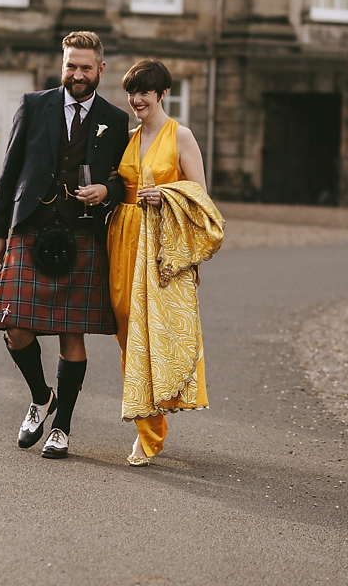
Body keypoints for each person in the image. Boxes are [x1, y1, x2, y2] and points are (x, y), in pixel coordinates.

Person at [0, 31, 131, 459]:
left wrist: (107, 189)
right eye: (71, 65)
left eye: (86, 67)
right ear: (61, 64)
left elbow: (125, 177)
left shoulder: (114, 119)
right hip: (31, 229)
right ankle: (40, 395)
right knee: (13, 324)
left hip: (83, 235)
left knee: (72, 330)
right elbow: (9, 170)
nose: (77, 74)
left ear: (101, 69)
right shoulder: (34, 106)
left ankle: (62, 428)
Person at [107, 59, 224, 466]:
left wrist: (167, 195)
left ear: (162, 94)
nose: (136, 99)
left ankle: (149, 432)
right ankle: (146, 414)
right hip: (122, 237)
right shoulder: (130, 136)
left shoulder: (181, 136)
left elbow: (201, 199)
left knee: (153, 333)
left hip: (160, 244)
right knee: (125, 326)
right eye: (131, 92)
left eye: (144, 92)